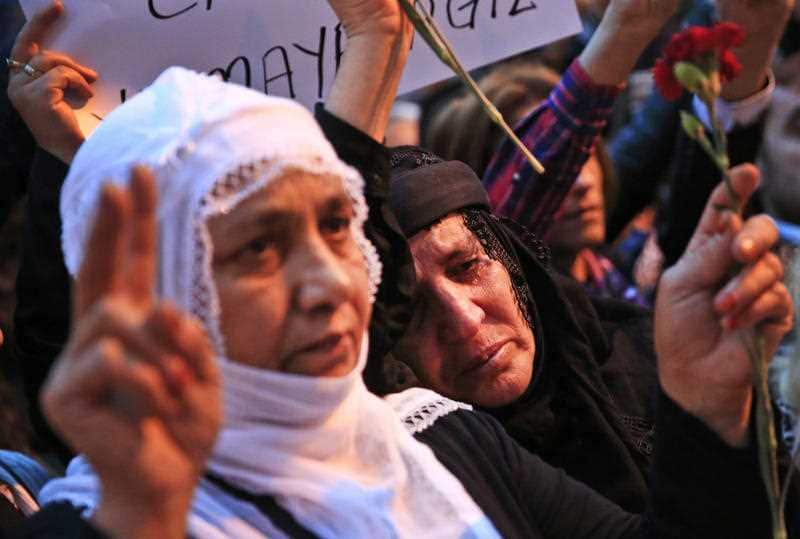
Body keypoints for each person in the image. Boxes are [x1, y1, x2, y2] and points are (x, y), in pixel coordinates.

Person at [14, 58, 792, 539]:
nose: (328, 280)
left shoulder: (439, 438)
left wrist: (701, 406)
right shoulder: (98, 520)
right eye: (258, 247)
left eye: (334, 224)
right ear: (158, 291)